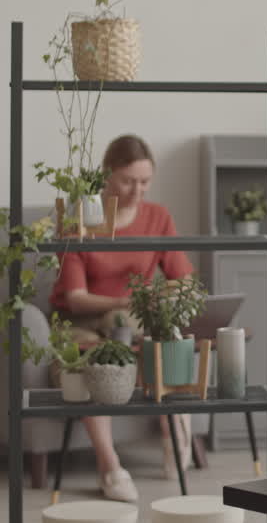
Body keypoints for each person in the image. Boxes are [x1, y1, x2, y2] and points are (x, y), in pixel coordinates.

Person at [49, 133, 196, 501]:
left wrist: (163, 297)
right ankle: (109, 465)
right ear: (107, 176)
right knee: (89, 363)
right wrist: (127, 303)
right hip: (80, 322)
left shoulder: (158, 217)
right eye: (128, 181)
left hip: (132, 321)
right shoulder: (81, 218)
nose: (137, 190)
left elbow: (185, 280)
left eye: (145, 182)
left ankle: (173, 436)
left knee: (161, 344)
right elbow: (77, 299)